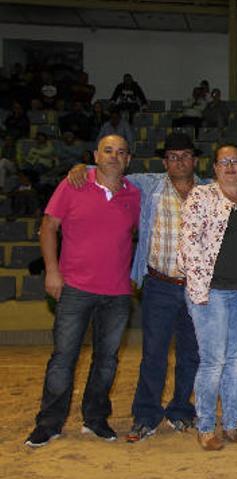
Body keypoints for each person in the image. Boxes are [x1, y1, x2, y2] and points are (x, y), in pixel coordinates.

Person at [65, 133, 206, 443]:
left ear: (195, 160)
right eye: (172, 156)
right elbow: (109, 168)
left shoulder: (211, 190)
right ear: (164, 161)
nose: (178, 161)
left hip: (198, 288)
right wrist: (82, 168)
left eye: (185, 155)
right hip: (159, 284)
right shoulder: (148, 184)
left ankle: (181, 409)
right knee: (153, 353)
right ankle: (146, 414)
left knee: (191, 354)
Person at [24, 135, 140, 448]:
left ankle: (95, 419)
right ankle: (49, 424)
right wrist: (51, 271)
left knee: (107, 361)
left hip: (116, 293)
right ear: (95, 156)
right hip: (74, 288)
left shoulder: (134, 194)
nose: (114, 157)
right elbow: (49, 227)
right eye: (107, 151)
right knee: (63, 359)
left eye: (120, 153)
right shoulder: (73, 185)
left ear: (128, 160)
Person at [179, 144, 237, 451]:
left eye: (235, 161)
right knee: (213, 361)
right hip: (211, 291)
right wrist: (199, 284)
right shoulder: (201, 196)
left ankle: (230, 424)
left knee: (233, 360)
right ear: (214, 168)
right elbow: (188, 244)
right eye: (223, 162)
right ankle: (205, 427)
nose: (230, 166)